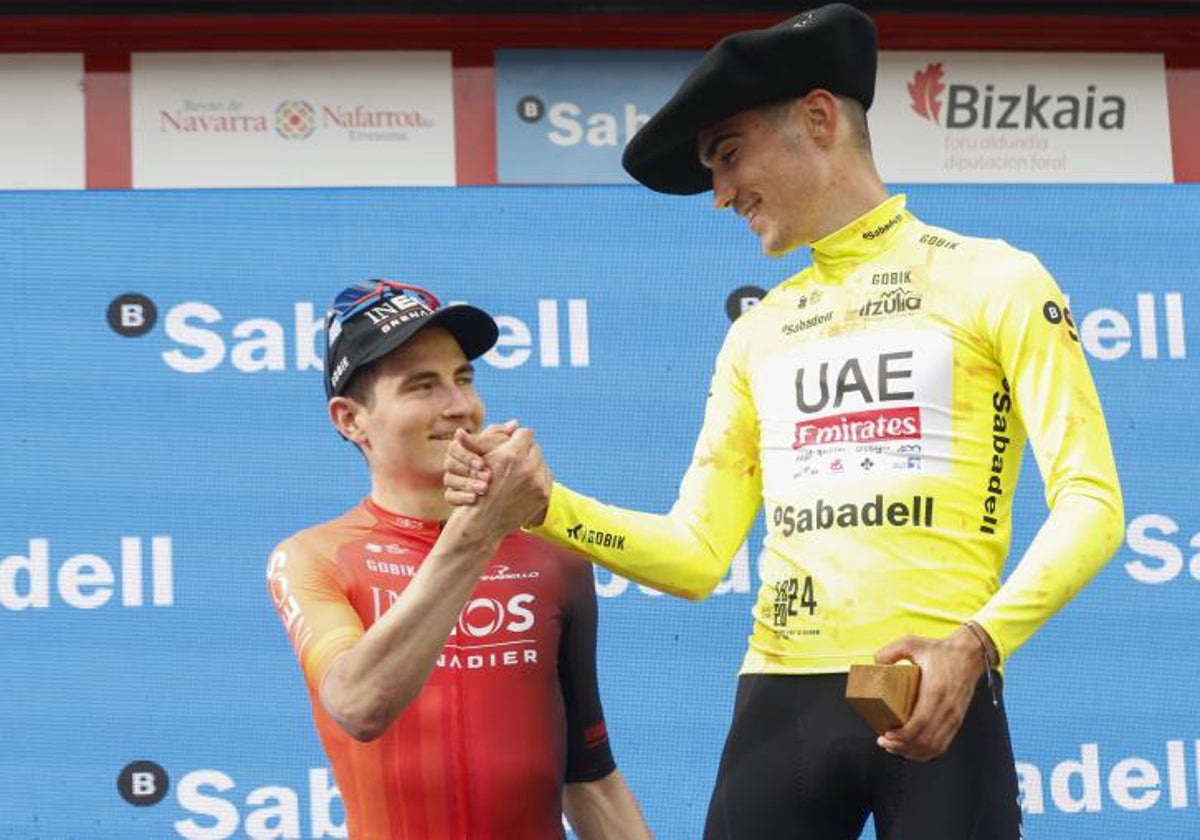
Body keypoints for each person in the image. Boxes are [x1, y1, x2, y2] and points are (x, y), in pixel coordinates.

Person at [443, 4, 1124, 838]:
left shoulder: (996, 280)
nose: (721, 194)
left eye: (729, 156)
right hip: (779, 701)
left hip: (936, 687)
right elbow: (696, 555)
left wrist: (975, 644)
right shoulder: (757, 332)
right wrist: (546, 506)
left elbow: (1092, 501)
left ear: (817, 117)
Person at [266, 279, 651, 840]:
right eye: (422, 386)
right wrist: (481, 528)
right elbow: (358, 704)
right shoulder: (315, 557)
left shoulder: (554, 557)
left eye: (463, 379)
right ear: (350, 419)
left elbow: (590, 779)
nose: (458, 407)